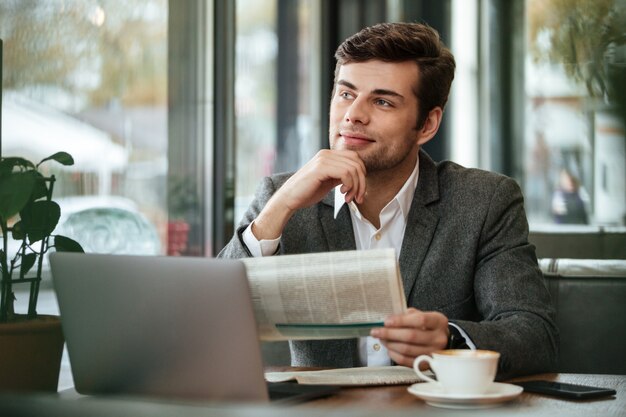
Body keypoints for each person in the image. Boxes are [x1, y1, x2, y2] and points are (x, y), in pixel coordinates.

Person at [219, 22, 558, 378]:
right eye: (346, 94)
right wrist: (279, 208)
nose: (353, 115)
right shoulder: (281, 198)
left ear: (427, 124)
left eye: (382, 101)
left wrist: (448, 339)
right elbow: (211, 318)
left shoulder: (484, 202)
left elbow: (535, 336)